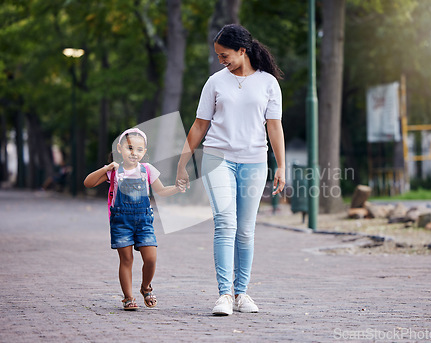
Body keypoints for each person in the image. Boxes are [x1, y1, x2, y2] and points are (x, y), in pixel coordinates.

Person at [176, 24, 285, 315]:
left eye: (225, 55)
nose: (221, 61)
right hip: (217, 158)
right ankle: (224, 294)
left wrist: (281, 166)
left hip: (254, 161)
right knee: (226, 224)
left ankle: (242, 293)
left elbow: (274, 127)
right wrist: (182, 161)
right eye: (218, 56)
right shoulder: (215, 82)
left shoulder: (268, 83)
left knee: (246, 230)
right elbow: (200, 124)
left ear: (242, 50)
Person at [84, 128, 186, 310]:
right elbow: (88, 183)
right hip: (121, 222)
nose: (134, 153)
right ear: (119, 148)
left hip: (144, 222)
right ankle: (128, 297)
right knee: (126, 260)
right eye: (130, 148)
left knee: (151, 258)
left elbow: (161, 191)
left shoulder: (147, 170)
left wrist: (177, 189)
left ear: (144, 152)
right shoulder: (114, 171)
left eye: (139, 150)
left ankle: (146, 287)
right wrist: (106, 168)